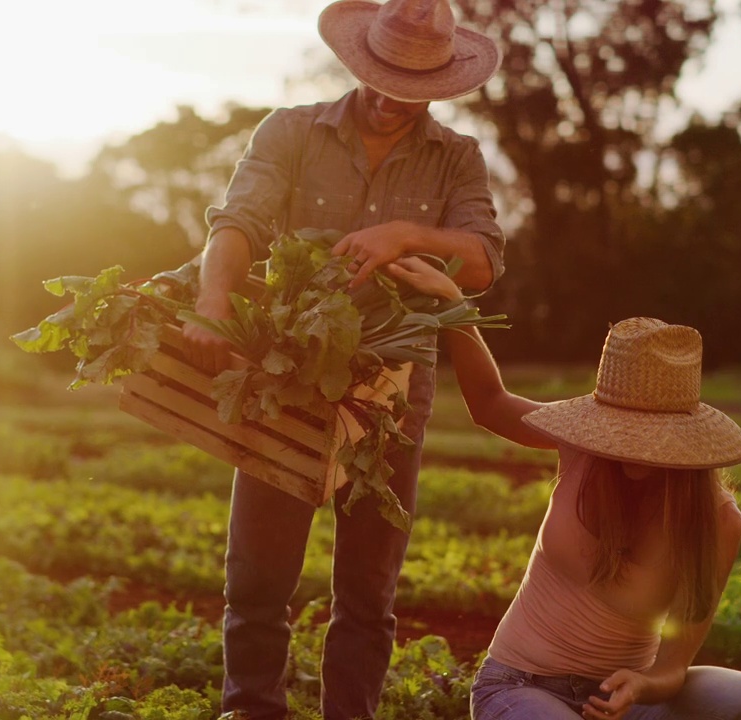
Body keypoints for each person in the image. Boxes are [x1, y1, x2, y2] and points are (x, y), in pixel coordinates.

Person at [181, 1, 507, 718]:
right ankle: (250, 709)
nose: (390, 98)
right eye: (380, 77)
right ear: (359, 60)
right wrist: (212, 302)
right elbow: (238, 222)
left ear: (443, 82)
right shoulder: (292, 131)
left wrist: (402, 234)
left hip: (392, 389)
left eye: (411, 85)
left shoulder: (456, 157)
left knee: (368, 586)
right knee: (259, 574)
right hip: (286, 371)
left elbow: (482, 260)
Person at [384, 257, 741, 720]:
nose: (624, 451)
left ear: (684, 444)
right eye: (617, 432)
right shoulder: (583, 450)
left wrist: (641, 684)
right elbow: (490, 404)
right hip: (521, 686)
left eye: (647, 439)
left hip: (625, 702)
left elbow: (673, 668)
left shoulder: (717, 521)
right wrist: (454, 306)